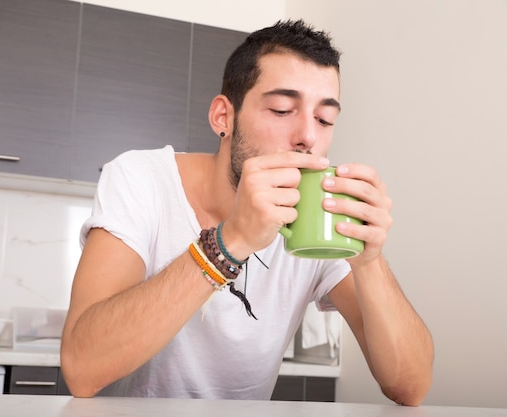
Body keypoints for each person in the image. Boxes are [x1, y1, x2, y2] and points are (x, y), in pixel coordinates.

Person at [60, 19, 433, 406]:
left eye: (325, 119)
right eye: (283, 109)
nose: (308, 136)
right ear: (224, 117)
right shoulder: (141, 179)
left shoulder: (316, 218)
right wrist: (230, 241)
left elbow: (411, 387)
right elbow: (81, 369)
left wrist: (368, 259)